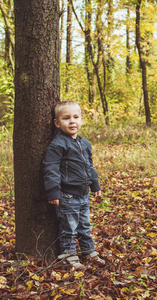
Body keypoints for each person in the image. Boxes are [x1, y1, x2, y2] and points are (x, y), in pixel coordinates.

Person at [43, 100, 105, 269]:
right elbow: (51, 168)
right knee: (68, 227)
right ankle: (69, 255)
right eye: (66, 118)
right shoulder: (58, 144)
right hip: (67, 195)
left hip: (84, 194)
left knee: (85, 225)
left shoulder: (84, 143)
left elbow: (89, 167)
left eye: (75, 117)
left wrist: (95, 186)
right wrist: (53, 192)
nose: (72, 121)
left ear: (81, 120)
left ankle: (88, 252)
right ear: (57, 123)